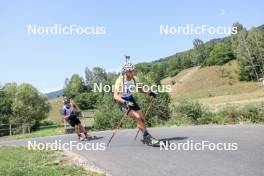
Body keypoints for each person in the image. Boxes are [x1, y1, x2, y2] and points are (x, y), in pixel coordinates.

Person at [113, 58, 158, 145]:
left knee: (142, 118)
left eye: (133, 71)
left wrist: (150, 93)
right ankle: (147, 137)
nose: (132, 73)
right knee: (137, 117)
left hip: (130, 98)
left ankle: (145, 135)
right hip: (122, 101)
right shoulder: (120, 81)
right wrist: (124, 102)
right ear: (125, 72)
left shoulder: (134, 79)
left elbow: (140, 89)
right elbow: (115, 96)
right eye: (130, 71)